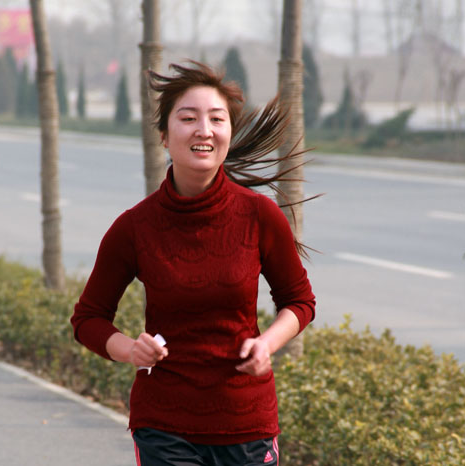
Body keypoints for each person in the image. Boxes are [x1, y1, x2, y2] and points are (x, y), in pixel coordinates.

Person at [71, 61, 315, 466]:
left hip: (247, 423)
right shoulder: (135, 227)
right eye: (188, 118)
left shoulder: (260, 215)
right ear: (164, 136)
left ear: (229, 133)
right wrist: (131, 350)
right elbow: (88, 319)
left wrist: (266, 344)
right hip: (164, 425)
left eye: (217, 119)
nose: (204, 130)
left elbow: (300, 301)